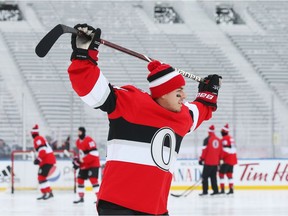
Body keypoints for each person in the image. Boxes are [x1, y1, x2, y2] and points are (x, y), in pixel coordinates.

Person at [67, 23, 222, 215]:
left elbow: (201, 110)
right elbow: (90, 89)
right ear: (163, 94)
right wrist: (84, 55)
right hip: (119, 206)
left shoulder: (182, 116)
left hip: (156, 209)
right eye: (178, 91)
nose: (184, 96)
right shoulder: (129, 103)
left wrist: (209, 93)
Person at [73, 127, 100, 204]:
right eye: (78, 132)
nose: (78, 133)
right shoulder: (78, 142)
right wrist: (77, 161)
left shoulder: (89, 140)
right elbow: (80, 154)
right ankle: (81, 197)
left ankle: (99, 198)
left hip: (93, 163)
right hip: (85, 164)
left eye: (80, 132)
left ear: (83, 132)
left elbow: (94, 154)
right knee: (80, 179)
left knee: (93, 180)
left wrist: (81, 160)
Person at [31, 124, 56, 200]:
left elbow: (42, 150)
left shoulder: (38, 139)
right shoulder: (39, 138)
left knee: (42, 177)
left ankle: (48, 192)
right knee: (40, 177)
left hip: (47, 160)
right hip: (46, 160)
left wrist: (38, 159)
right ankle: (46, 193)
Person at [198, 125, 222, 196]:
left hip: (208, 162)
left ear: (208, 131)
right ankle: (216, 190)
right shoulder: (218, 140)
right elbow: (220, 152)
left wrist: (201, 159)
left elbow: (204, 151)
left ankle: (205, 191)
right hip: (215, 163)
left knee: (204, 177)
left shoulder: (207, 139)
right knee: (213, 177)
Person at [219, 123, 237, 195]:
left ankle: (222, 189)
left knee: (221, 174)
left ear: (224, 131)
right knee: (229, 174)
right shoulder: (231, 138)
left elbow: (224, 150)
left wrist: (221, 158)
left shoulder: (224, 139)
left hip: (226, 160)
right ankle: (231, 189)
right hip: (232, 160)